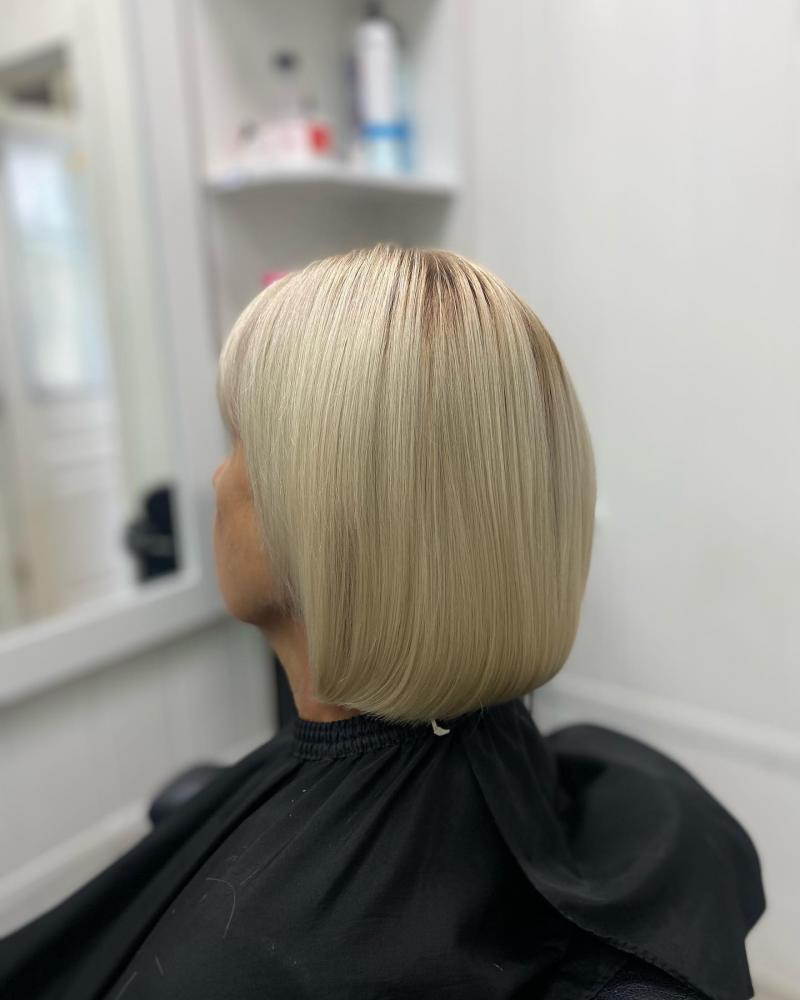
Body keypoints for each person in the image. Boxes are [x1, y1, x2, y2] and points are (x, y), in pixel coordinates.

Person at [0, 245, 765, 999]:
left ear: (319, 510)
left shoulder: (246, 966)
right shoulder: (556, 765)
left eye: (238, 440)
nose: (218, 477)